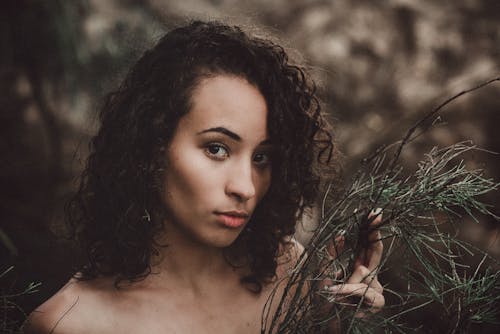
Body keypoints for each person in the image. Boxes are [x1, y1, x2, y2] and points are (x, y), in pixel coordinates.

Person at [23, 20, 384, 333]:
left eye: (262, 158)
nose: (245, 187)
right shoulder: (69, 323)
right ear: (152, 145)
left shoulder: (291, 275)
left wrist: (350, 324)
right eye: (217, 149)